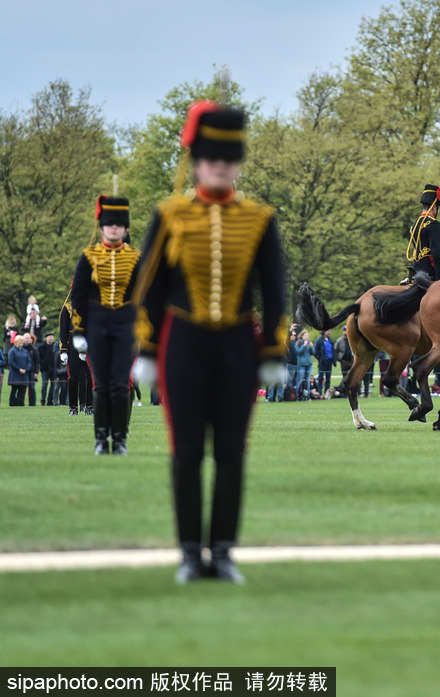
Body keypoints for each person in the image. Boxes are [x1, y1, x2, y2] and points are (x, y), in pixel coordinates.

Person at [132, 100, 288, 584]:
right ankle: (187, 553)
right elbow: (149, 287)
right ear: (198, 162)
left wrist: (273, 351)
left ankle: (221, 552)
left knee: (231, 451)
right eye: (212, 158)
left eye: (229, 159)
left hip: (239, 345)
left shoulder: (260, 219)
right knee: (185, 452)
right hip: (183, 344)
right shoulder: (170, 214)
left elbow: (275, 286)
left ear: (237, 164)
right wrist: (146, 350)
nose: (221, 166)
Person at [71, 194, 141, 454]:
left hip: (126, 325)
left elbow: (144, 296)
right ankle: (101, 439)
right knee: (100, 383)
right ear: (101, 227)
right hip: (97, 324)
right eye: (110, 224)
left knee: (122, 383)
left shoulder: (136, 257)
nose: (114, 228)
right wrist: (78, 331)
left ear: (125, 228)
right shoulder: (88, 256)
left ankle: (120, 440)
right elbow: (78, 295)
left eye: (119, 225)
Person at [406, 181, 440, 281]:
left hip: (418, 270)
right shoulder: (434, 224)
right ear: (435, 207)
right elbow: (436, 255)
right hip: (431, 272)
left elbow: (426, 251)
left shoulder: (414, 225)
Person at [59, 290, 93, 416]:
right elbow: (63, 331)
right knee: (73, 377)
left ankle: (89, 406)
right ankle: (73, 407)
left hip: (90, 343)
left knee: (90, 377)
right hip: (73, 344)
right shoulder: (67, 308)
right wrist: (63, 350)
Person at [7, 334, 32, 406]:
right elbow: (11, 361)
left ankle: (20, 403)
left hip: (24, 374)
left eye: (22, 341)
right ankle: (12, 403)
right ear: (16, 341)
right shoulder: (12, 350)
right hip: (15, 374)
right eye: (20, 341)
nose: (22, 342)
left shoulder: (25, 351)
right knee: (14, 389)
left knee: (22, 390)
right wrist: (19, 369)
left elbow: (29, 361)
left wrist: (26, 369)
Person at [293, 329, 314, 400]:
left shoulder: (309, 342)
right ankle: (297, 395)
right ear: (302, 336)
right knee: (300, 380)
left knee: (307, 381)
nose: (307, 337)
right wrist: (304, 346)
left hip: (309, 364)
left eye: (307, 335)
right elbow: (298, 352)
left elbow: (313, 353)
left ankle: (307, 396)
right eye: (305, 335)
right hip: (301, 364)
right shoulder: (298, 343)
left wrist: (311, 347)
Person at [314, 328, 335, 395]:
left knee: (328, 378)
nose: (329, 332)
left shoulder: (330, 340)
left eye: (329, 330)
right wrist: (319, 358)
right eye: (328, 330)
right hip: (322, 362)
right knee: (321, 377)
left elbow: (333, 351)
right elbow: (315, 351)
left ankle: (327, 392)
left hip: (329, 361)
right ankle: (319, 391)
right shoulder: (319, 340)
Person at [38, 332, 57, 406]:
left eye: (52, 337)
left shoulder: (55, 346)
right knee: (44, 386)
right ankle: (43, 400)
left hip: (53, 369)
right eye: (50, 337)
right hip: (45, 369)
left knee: (53, 386)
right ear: (46, 338)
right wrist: (43, 364)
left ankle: (50, 400)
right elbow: (39, 358)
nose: (51, 338)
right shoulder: (41, 347)